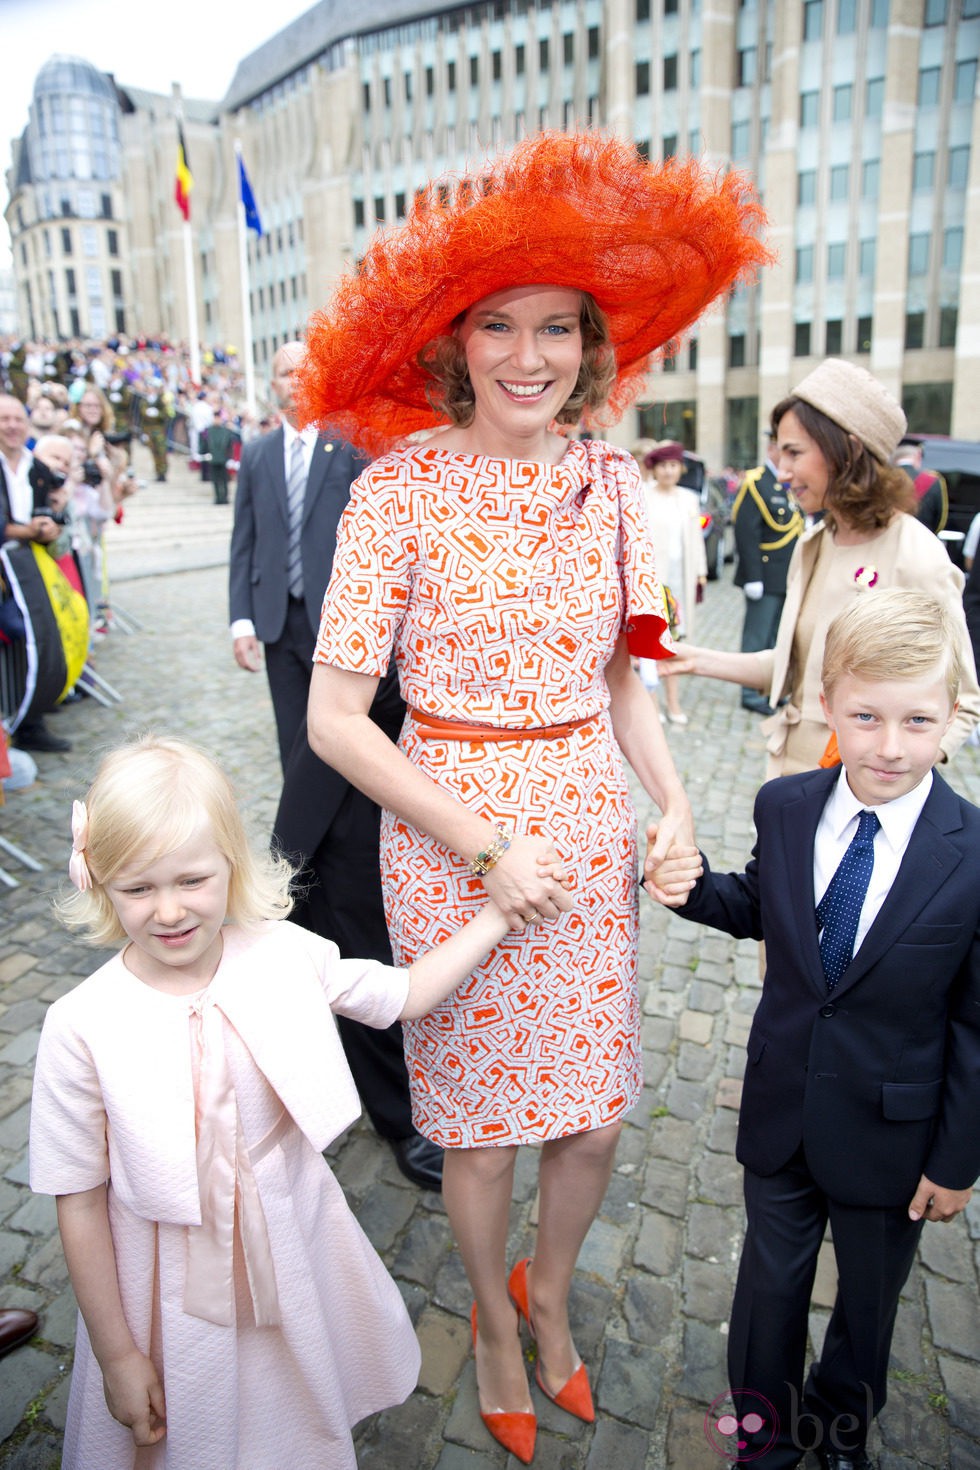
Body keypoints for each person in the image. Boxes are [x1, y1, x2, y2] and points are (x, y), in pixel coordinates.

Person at [299, 131, 770, 1462]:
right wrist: (482, 841)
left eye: (556, 327)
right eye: (498, 324)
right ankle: (496, 1333)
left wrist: (670, 803)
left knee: (598, 1111)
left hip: (584, 815)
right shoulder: (395, 495)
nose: (528, 353)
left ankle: (546, 1289)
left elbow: (630, 677)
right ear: (458, 340)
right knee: (483, 1134)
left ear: (590, 344)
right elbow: (337, 721)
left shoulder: (614, 485)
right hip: (452, 831)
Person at [29, 734, 558, 1470]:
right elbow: (79, 1199)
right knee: (190, 1424)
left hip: (290, 1239)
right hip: (166, 1285)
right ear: (98, 882)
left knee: (290, 1404)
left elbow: (403, 995)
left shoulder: (282, 954)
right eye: (138, 888)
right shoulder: (80, 1026)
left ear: (231, 866)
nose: (170, 910)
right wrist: (120, 1353)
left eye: (192, 880)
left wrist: (499, 913)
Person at [645, 590, 980, 1470]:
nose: (890, 745)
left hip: (893, 1137)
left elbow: (976, 1022)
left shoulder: (972, 850)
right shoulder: (787, 806)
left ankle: (840, 1430)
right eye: (866, 716)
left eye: (917, 720)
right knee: (769, 1289)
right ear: (827, 702)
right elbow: (765, 906)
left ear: (953, 715)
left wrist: (956, 1159)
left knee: (867, 1307)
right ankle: (762, 1438)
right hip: (785, 1101)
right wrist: (692, 888)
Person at [672, 359, 980, 776]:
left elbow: (964, 704)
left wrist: (887, 779)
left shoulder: (915, 554)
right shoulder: (814, 544)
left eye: (794, 453)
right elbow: (793, 671)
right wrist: (687, 658)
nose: (782, 472)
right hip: (791, 784)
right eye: (780, 454)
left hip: (854, 799)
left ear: (848, 450)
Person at [228, 341, 369, 770]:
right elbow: (243, 542)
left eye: (305, 371)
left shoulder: (350, 447)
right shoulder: (256, 454)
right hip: (278, 621)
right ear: (273, 385)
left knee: (345, 736)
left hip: (337, 619)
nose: (296, 381)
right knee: (291, 736)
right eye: (286, 373)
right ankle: (299, 834)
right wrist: (241, 621)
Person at [636, 439, 707, 725]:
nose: (668, 471)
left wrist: (701, 572)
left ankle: (674, 701)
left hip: (682, 578)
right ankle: (651, 703)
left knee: (676, 639)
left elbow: (696, 540)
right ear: (654, 468)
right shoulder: (643, 495)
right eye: (663, 465)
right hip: (654, 581)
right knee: (652, 643)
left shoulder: (688, 498)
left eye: (674, 465)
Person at [731, 450, 803, 715]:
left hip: (786, 574)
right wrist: (752, 576)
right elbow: (745, 531)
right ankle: (749, 692)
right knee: (757, 637)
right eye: (784, 448)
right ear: (772, 449)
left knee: (777, 637)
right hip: (762, 574)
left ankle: (772, 688)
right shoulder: (756, 482)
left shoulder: (790, 483)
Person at [891, 437, 948, 537]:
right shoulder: (933, 480)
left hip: (887, 542)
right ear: (918, 455)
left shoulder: (881, 478)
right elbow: (940, 521)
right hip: (922, 542)